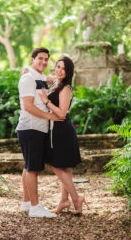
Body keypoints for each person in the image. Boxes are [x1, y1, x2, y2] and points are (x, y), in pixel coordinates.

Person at [16, 47, 62, 218]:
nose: (43, 62)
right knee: (33, 168)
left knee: (28, 166)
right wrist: (49, 116)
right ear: (32, 59)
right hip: (30, 127)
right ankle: (35, 207)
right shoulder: (28, 79)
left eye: (46, 59)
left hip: (38, 128)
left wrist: (53, 79)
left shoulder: (40, 78)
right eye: (40, 58)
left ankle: (27, 203)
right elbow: (28, 106)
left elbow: (58, 80)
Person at [39, 56, 89, 215]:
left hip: (62, 130)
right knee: (64, 166)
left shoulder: (65, 88)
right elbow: (42, 77)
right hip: (57, 129)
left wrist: (46, 101)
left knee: (55, 165)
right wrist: (28, 72)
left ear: (69, 73)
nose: (59, 71)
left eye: (63, 69)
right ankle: (64, 201)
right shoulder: (56, 82)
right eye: (58, 67)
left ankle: (76, 198)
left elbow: (61, 113)